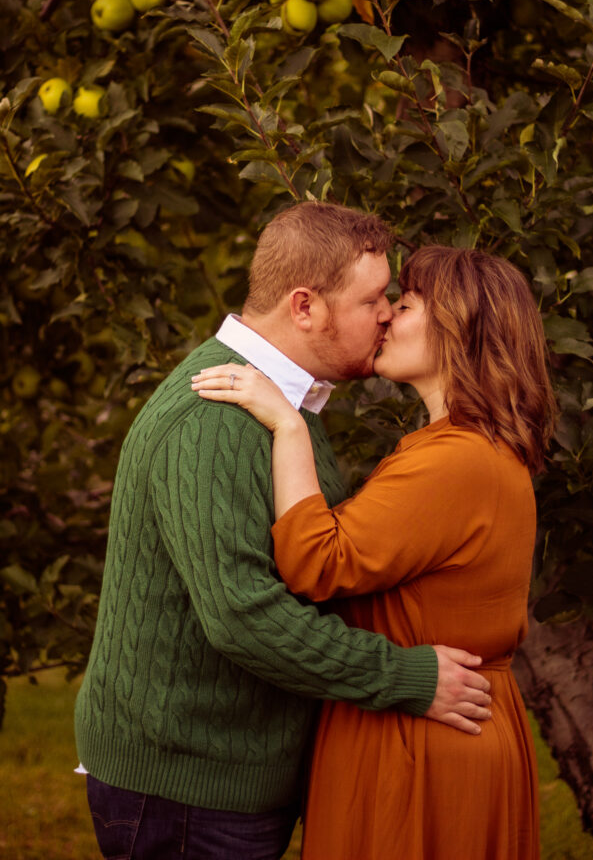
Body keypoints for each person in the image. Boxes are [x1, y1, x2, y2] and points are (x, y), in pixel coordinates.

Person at [74, 204, 493, 860]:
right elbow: (244, 616)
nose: (386, 313)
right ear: (305, 307)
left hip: (226, 771)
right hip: (188, 783)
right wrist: (407, 677)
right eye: (370, 299)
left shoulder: (278, 405)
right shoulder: (212, 419)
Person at [191, 244, 558, 860]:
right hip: (435, 723)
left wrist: (287, 426)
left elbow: (318, 564)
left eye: (404, 303)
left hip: (422, 739)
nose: (384, 316)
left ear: (458, 327)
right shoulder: (463, 448)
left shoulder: (456, 459)